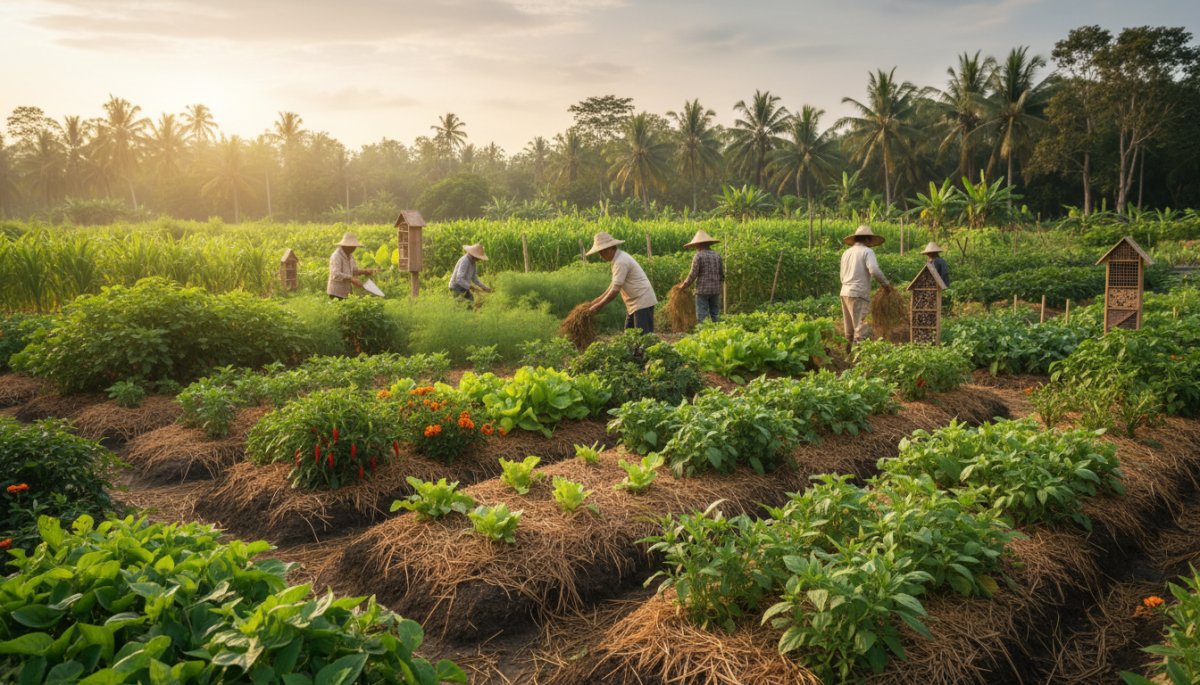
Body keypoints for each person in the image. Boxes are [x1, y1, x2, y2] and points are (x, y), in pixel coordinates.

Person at [586, 231, 657, 333]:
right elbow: (614, 284)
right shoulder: (617, 259)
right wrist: (597, 300)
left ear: (610, 248)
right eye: (600, 252)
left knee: (643, 339)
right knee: (629, 337)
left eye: (603, 252)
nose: (601, 255)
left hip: (642, 301)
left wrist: (599, 305)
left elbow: (615, 290)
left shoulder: (620, 261)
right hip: (634, 303)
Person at [839, 225, 893, 350]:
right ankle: (860, 361)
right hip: (858, 293)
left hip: (845, 291)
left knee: (849, 329)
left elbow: (842, 275)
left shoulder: (846, 253)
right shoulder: (867, 251)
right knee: (861, 329)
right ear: (868, 239)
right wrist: (886, 285)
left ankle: (847, 358)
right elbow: (874, 270)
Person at [677, 229, 724, 324]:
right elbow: (721, 274)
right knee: (715, 315)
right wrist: (718, 285)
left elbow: (693, 274)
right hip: (716, 290)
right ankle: (717, 333)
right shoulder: (717, 255)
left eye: (696, 245)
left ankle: (702, 335)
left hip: (702, 291)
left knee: (702, 315)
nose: (695, 247)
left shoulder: (698, 256)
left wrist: (684, 285)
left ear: (699, 244)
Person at [327, 233, 377, 299]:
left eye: (355, 246)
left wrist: (365, 271)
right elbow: (335, 274)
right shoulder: (336, 256)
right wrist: (351, 279)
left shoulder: (350, 255)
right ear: (346, 246)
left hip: (347, 291)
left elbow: (353, 270)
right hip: (336, 293)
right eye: (352, 247)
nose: (354, 248)